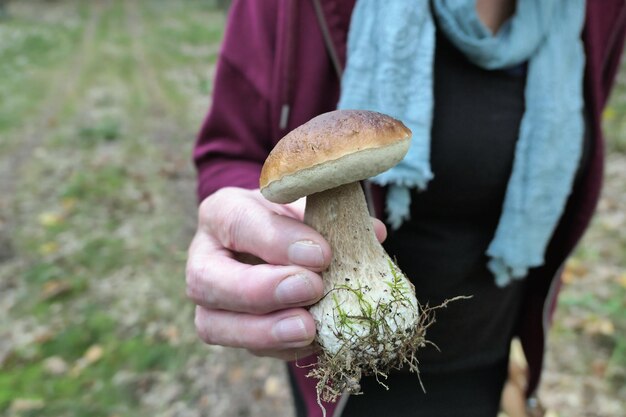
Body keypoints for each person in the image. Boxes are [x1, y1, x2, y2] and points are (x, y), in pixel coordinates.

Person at [186, 1, 626, 416]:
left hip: (492, 351)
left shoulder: (598, 11)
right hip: (344, 383)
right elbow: (230, 152)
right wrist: (243, 224)